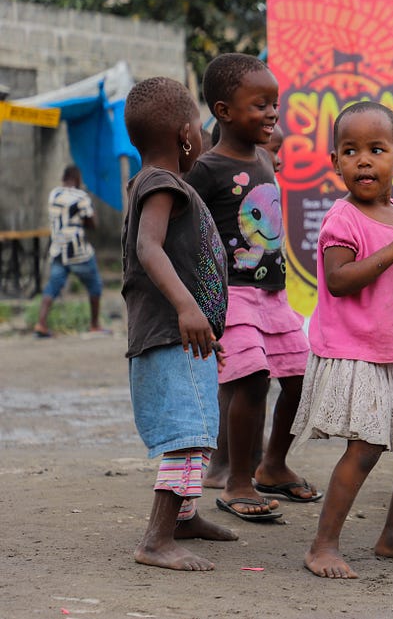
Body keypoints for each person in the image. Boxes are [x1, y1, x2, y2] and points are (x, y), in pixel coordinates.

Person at [290, 102, 393, 579]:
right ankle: (322, 545)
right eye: (351, 151)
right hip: (358, 348)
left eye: (376, 150)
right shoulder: (343, 219)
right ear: (335, 162)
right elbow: (339, 281)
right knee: (366, 447)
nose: (363, 160)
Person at [186, 53, 318, 522]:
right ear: (223, 112)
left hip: (273, 294)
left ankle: (274, 465)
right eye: (259, 104)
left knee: (302, 380)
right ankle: (238, 480)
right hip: (231, 294)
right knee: (251, 380)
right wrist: (195, 302)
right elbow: (189, 233)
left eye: (274, 103)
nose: (272, 113)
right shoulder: (204, 169)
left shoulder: (265, 158)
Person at [121, 76, 236, 570]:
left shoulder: (156, 183)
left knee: (200, 427)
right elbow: (149, 248)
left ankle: (185, 518)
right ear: (186, 134)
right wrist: (189, 309)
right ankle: (156, 539)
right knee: (187, 435)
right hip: (170, 334)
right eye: (203, 128)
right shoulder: (161, 184)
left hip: (186, 339)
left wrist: (205, 329)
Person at [34, 165, 107, 337]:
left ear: (64, 178)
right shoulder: (81, 197)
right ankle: (95, 325)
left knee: (52, 286)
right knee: (95, 286)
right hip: (77, 251)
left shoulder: (54, 194)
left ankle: (41, 324)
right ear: (78, 179)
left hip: (58, 250)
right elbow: (93, 224)